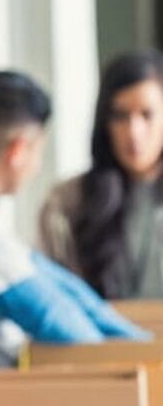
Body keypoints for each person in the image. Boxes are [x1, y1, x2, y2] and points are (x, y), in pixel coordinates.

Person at [0, 69, 147, 368]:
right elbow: (46, 312)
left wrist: (140, 342)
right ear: (19, 150)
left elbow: (51, 280)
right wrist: (131, 359)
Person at [39, 49, 163, 299]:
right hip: (96, 338)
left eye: (146, 115)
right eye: (120, 116)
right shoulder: (67, 204)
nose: (134, 132)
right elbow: (54, 299)